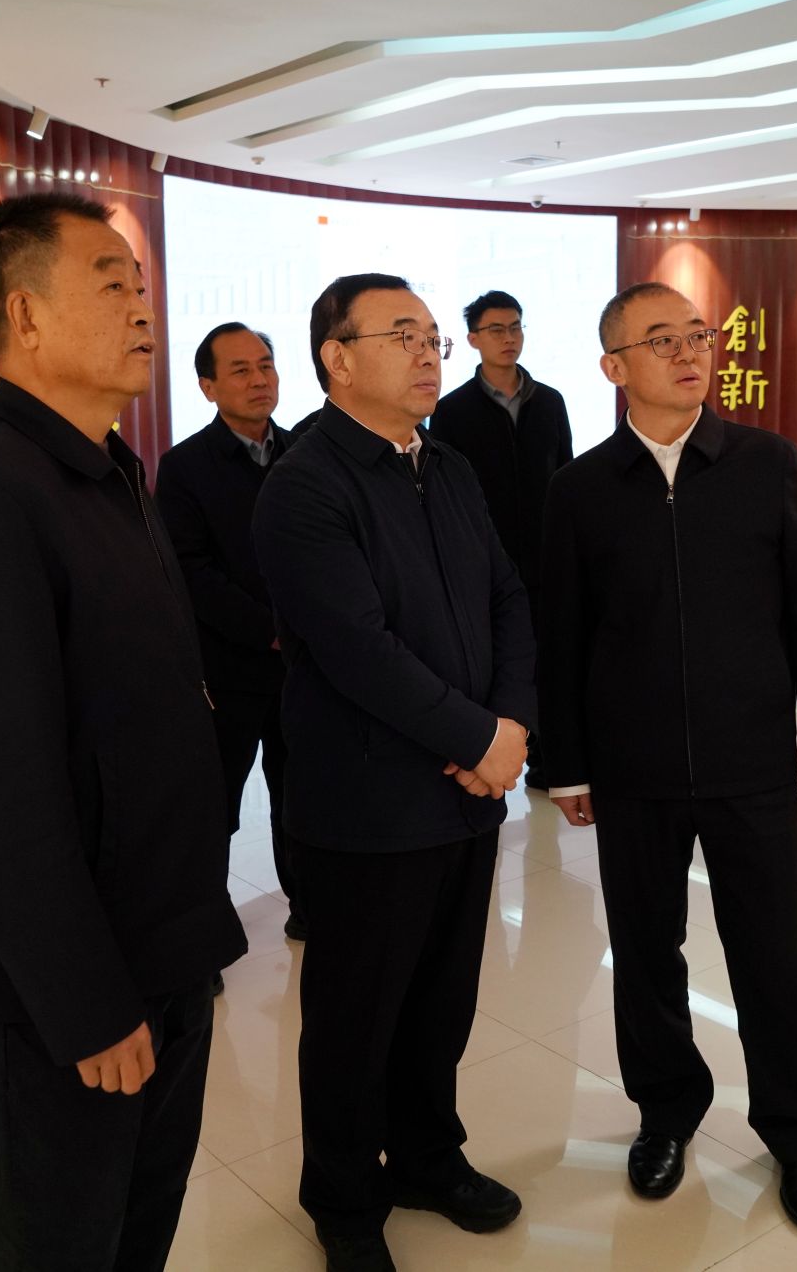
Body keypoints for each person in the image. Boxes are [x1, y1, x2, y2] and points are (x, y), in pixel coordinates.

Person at [0, 192, 246, 1272]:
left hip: (162, 940)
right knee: (57, 1242)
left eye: (141, 285)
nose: (142, 308)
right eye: (111, 284)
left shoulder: (108, 474)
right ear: (25, 316)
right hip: (72, 986)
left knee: (138, 1228)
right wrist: (85, 1003)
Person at [538, 283, 797, 1231]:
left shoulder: (765, 463)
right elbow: (563, 636)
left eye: (697, 336)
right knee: (645, 953)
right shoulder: (580, 489)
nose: (689, 353)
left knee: (777, 955)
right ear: (614, 367)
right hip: (632, 769)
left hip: (749, 758)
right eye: (661, 340)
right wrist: (568, 763)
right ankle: (666, 1113)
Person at [253, 272, 535, 1272]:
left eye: (431, 337)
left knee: (440, 1000)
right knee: (354, 1017)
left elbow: (507, 597)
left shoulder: (446, 465)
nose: (426, 353)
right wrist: (477, 738)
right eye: (401, 335)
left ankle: (425, 1157)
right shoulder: (304, 482)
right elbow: (355, 648)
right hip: (368, 802)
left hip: (465, 796)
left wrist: (510, 726)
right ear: (336, 357)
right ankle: (341, 1198)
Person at [153, 322, 302, 940]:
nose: (259, 379)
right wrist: (271, 629)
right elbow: (190, 571)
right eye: (240, 369)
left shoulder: (305, 453)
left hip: (304, 667)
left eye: (265, 365)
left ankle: (310, 908)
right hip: (227, 669)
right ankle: (202, 935)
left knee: (304, 795)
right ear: (208, 386)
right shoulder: (185, 466)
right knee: (213, 807)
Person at [427, 290, 573, 787]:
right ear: (473, 339)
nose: (509, 338)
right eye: (496, 329)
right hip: (486, 561)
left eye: (515, 327)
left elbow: (566, 476)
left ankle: (548, 761)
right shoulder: (452, 410)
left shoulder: (549, 402)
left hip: (547, 558)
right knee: (498, 660)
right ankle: (494, 752)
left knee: (551, 659)